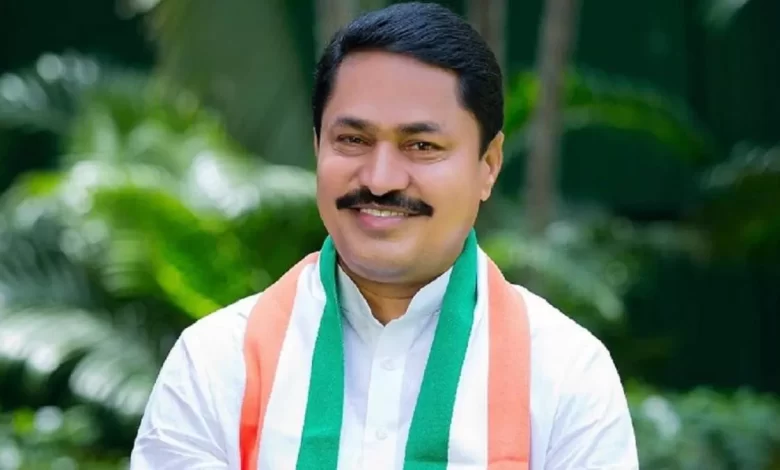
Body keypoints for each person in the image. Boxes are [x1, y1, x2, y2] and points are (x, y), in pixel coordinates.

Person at [130, 2, 639, 469]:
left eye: (421, 145)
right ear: (317, 148)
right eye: (353, 139)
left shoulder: (566, 376)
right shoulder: (216, 365)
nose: (380, 179)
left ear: (488, 164)